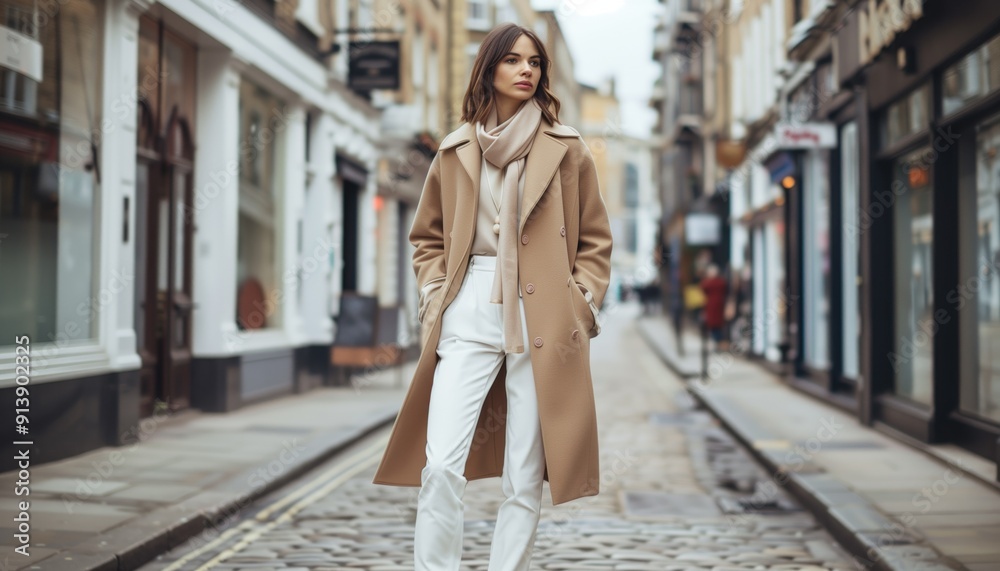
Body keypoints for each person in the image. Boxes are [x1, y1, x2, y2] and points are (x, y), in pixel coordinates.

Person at [370, 22, 613, 571]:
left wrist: (583, 300)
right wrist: (436, 292)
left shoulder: (568, 149)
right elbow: (427, 237)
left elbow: (595, 239)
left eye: (535, 63)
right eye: (514, 61)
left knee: (524, 475)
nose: (526, 70)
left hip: (545, 314)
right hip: (470, 305)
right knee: (440, 465)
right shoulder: (455, 150)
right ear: (489, 68)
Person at [699, 264, 728, 352]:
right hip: (719, 306)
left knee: (713, 327)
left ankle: (718, 343)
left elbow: (702, 287)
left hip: (712, 306)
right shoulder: (721, 282)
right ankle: (718, 343)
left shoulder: (710, 283)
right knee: (717, 326)